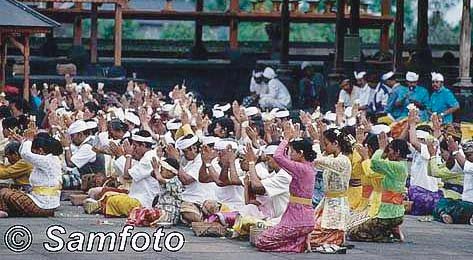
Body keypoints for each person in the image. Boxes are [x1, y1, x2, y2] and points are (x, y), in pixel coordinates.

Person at [255, 123, 316, 253]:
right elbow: (284, 159)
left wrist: (286, 139)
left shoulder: (301, 168)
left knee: (262, 240)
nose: (290, 154)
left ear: (300, 154)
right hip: (300, 217)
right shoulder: (306, 166)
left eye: (292, 151)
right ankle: (299, 243)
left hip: (299, 219)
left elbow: (278, 157)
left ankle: (297, 247)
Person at [348, 136, 410, 242]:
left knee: (354, 233)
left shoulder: (395, 166)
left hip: (386, 214)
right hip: (389, 211)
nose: (387, 152)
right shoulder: (396, 164)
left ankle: (383, 237)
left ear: (397, 152)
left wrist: (380, 149)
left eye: (389, 150)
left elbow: (373, 165)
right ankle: (386, 231)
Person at [309, 128, 352, 252]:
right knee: (308, 232)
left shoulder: (342, 160)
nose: (325, 147)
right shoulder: (333, 157)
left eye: (326, 144)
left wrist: (316, 143)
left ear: (335, 144)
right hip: (327, 202)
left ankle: (334, 241)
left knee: (312, 236)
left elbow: (318, 160)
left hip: (337, 205)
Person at [0, 133, 63, 218]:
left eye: (34, 151)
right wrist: (24, 141)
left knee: (5, 192)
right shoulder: (48, 160)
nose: (33, 154)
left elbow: (25, 154)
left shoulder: (48, 160)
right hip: (39, 199)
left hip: (44, 205)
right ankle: (6, 211)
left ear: (40, 151)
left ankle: (5, 211)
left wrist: (29, 140)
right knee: (7, 191)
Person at [104, 130, 160, 217]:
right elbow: (126, 171)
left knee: (111, 201)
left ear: (143, 145)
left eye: (135, 146)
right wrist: (120, 156)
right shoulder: (144, 157)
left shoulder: (149, 158)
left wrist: (128, 155)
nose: (133, 148)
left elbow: (127, 175)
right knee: (108, 196)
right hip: (137, 197)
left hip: (143, 202)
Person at [432, 138, 473, 225]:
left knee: (458, 207)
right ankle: (446, 215)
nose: (466, 158)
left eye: (469, 155)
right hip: (464, 203)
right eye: (465, 155)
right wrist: (451, 153)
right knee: (444, 202)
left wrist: (455, 152)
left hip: (469, 204)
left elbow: (466, 166)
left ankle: (447, 215)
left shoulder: (468, 165)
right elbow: (451, 166)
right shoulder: (467, 163)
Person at [150, 157, 183, 225]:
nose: (160, 171)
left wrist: (156, 169)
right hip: (161, 209)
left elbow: (159, 179)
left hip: (169, 213)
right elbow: (153, 174)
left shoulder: (175, 181)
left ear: (170, 172)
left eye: (162, 169)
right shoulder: (167, 178)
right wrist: (156, 168)